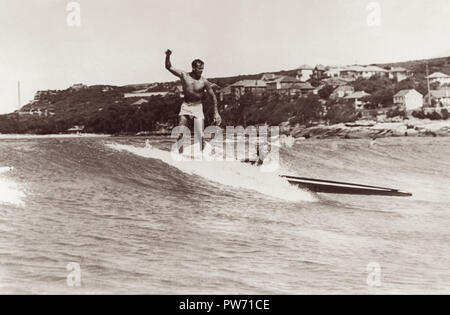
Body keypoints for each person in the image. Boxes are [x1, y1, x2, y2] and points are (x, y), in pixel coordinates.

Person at [165, 49, 221, 153]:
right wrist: (167, 55)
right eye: (199, 69)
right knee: (181, 132)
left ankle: (203, 155)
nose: (201, 71)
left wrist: (216, 113)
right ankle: (180, 156)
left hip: (198, 107)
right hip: (185, 106)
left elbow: (213, 97)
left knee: (200, 136)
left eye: (202, 69)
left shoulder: (204, 81)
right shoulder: (184, 75)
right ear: (193, 68)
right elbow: (168, 67)